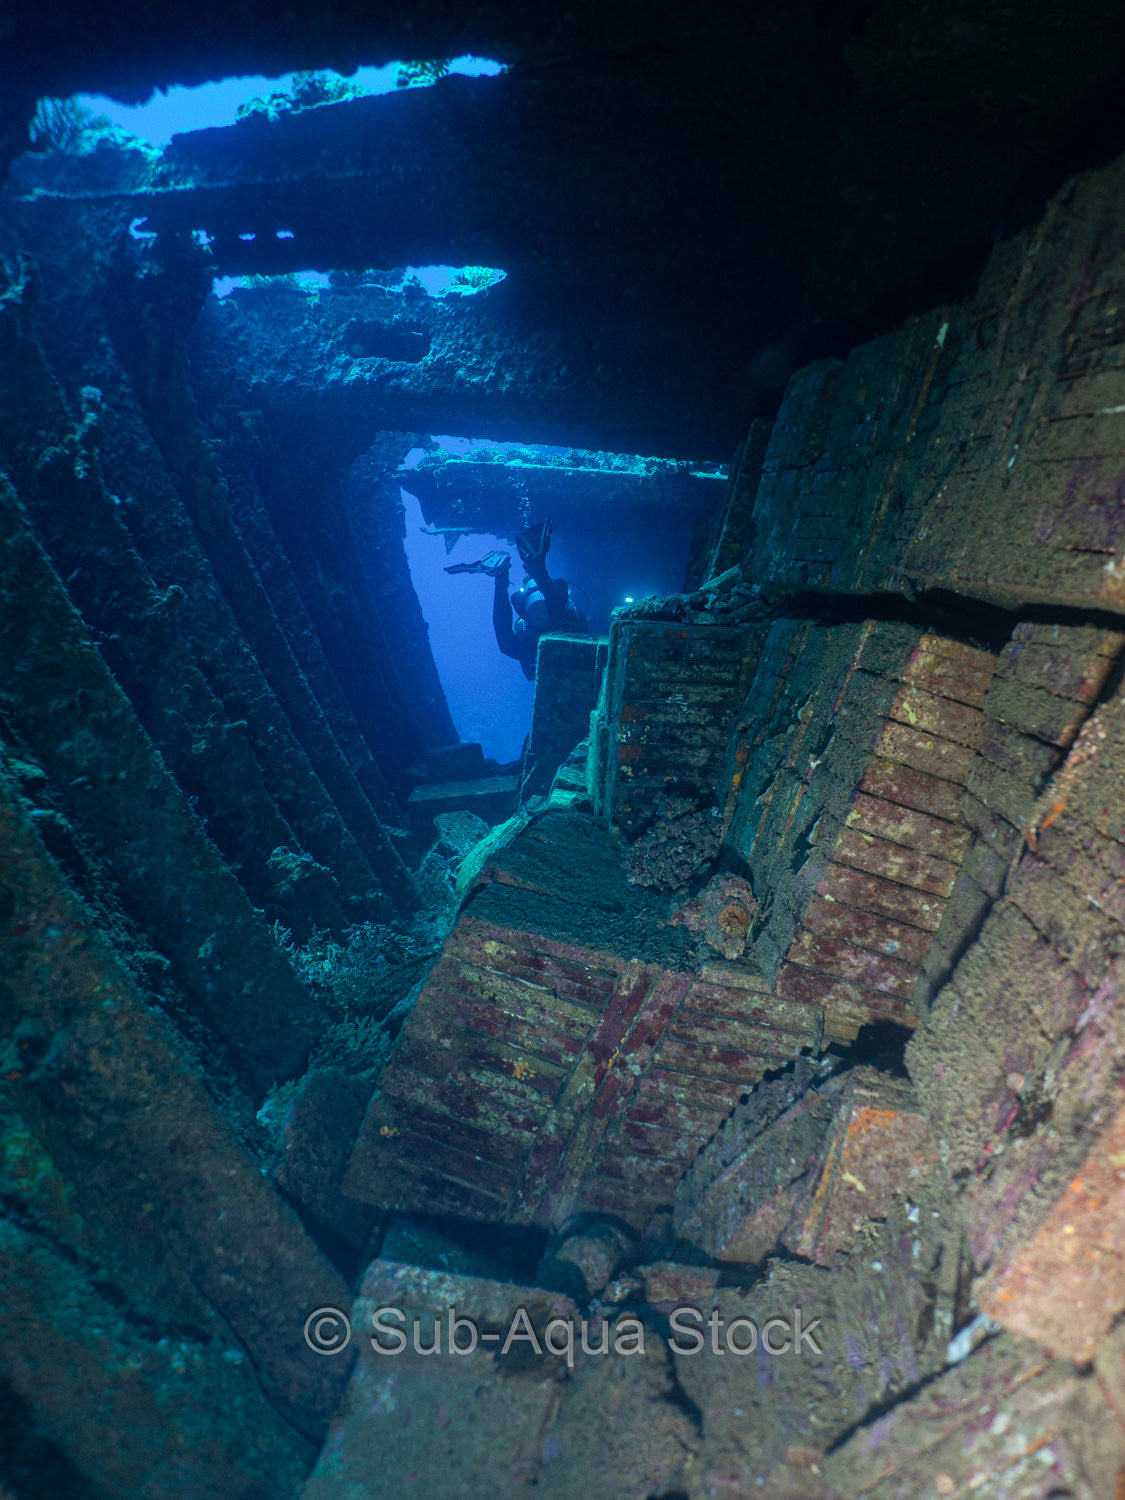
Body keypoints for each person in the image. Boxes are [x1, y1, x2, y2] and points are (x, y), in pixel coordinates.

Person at [445, 518, 588, 680]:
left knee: (513, 643)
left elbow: (506, 636)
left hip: (540, 632)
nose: (542, 615)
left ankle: (503, 578)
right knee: (558, 621)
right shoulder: (563, 618)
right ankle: (530, 569)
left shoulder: (533, 633)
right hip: (554, 627)